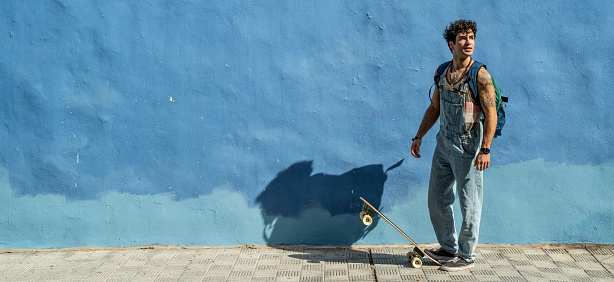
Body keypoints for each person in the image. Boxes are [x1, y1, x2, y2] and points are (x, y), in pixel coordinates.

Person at [410, 19, 497, 272]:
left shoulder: (480, 75)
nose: (468, 42)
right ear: (451, 44)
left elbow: (490, 114)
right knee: (436, 199)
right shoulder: (441, 72)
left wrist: (486, 149)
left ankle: (467, 256)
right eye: (462, 38)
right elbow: (435, 107)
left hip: (468, 146)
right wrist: (418, 136)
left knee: (470, 202)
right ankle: (448, 248)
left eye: (471, 37)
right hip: (443, 143)